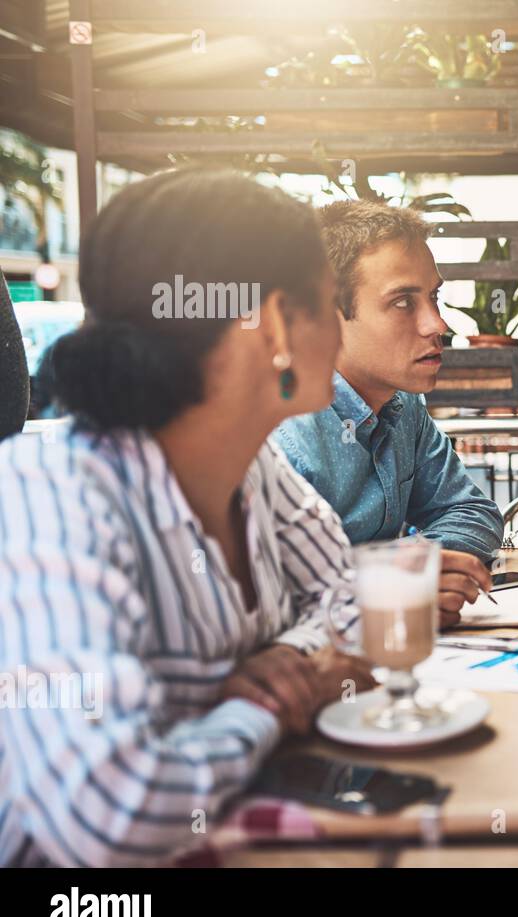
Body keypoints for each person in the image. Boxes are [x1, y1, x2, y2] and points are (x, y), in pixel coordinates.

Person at [0, 168, 375, 866]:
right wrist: (262, 708)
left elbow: (358, 601)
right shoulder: (45, 495)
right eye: (329, 302)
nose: (341, 328)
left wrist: (288, 659)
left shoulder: (251, 466)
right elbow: (109, 812)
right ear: (272, 325)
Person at [274, 201, 502, 625]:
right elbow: (274, 598)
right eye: (402, 302)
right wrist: (395, 584)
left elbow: (470, 510)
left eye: (434, 297)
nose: (438, 324)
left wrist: (424, 570)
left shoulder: (403, 402)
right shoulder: (282, 435)